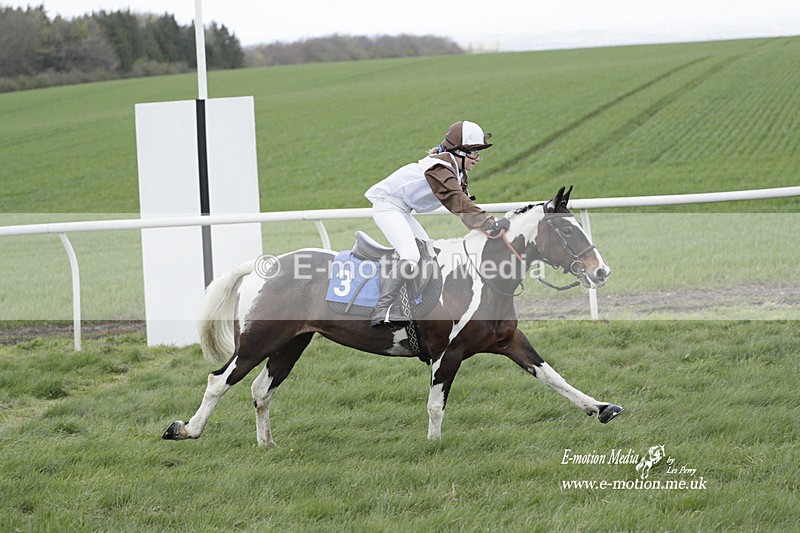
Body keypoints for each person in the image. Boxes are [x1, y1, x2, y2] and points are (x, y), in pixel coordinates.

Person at [364, 120, 510, 328]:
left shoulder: (456, 171)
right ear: (458, 151)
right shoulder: (439, 168)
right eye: (474, 152)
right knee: (411, 255)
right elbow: (457, 202)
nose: (478, 158)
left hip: (402, 210)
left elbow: (467, 205)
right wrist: (490, 223)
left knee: (429, 255)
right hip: (387, 207)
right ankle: (383, 309)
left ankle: (412, 306)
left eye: (478, 152)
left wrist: (487, 228)